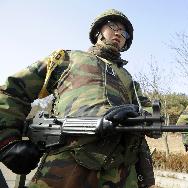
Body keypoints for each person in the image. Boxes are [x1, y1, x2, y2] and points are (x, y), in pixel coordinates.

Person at [0, 9, 156, 188]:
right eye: (113, 26)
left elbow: (151, 115)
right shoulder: (67, 59)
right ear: (98, 31)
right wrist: (7, 142)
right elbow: (11, 91)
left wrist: (138, 112)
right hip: (67, 167)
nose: (120, 33)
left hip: (123, 173)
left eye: (125, 32)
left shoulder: (129, 80)